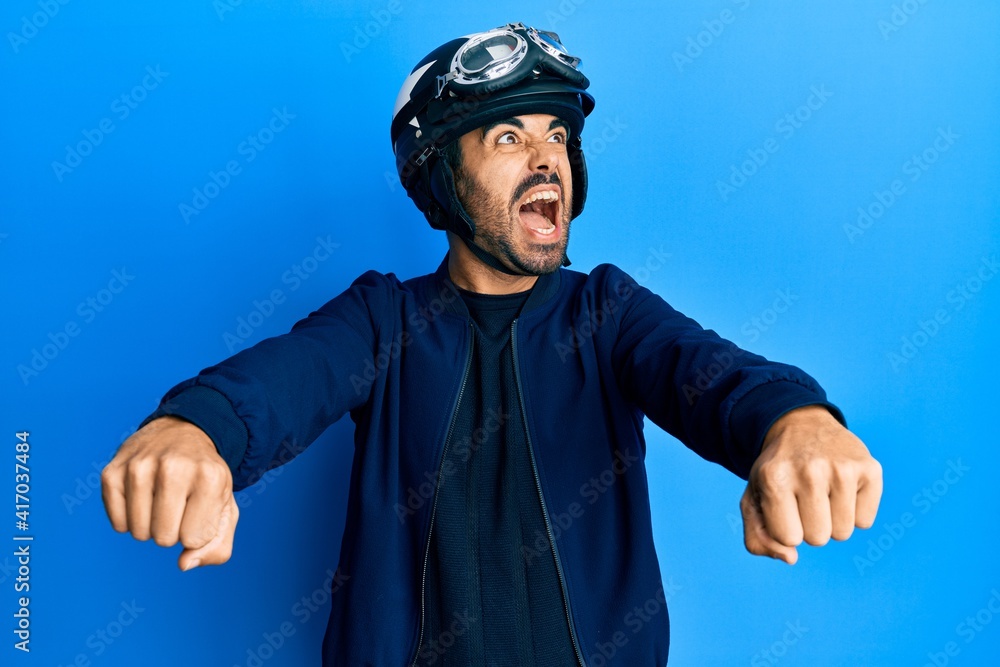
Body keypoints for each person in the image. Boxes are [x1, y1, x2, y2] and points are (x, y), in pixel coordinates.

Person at [101, 22, 883, 666]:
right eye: (509, 135)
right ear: (441, 177)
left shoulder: (608, 311)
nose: (547, 156)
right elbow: (282, 383)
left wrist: (797, 421)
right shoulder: (383, 321)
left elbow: (707, 374)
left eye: (556, 136)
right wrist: (195, 429)